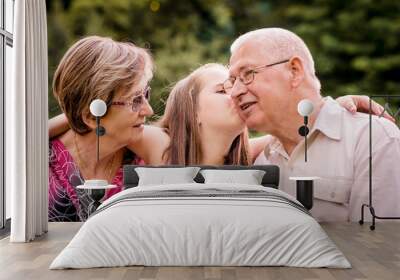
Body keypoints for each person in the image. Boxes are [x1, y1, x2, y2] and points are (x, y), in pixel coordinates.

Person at [49, 64, 387, 168]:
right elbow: (108, 117)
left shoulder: (245, 156)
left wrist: (333, 106)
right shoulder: (158, 143)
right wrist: (75, 113)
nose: (238, 93)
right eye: (223, 91)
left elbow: (293, 130)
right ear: (192, 112)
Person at [227, 27, 400, 222]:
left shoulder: (371, 139)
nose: (235, 92)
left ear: (294, 71)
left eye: (248, 73)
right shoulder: (262, 161)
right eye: (232, 81)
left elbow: (377, 246)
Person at [49, 36, 154, 222]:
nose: (149, 110)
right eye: (136, 100)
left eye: (146, 94)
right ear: (90, 116)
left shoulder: (145, 159)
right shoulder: (38, 167)